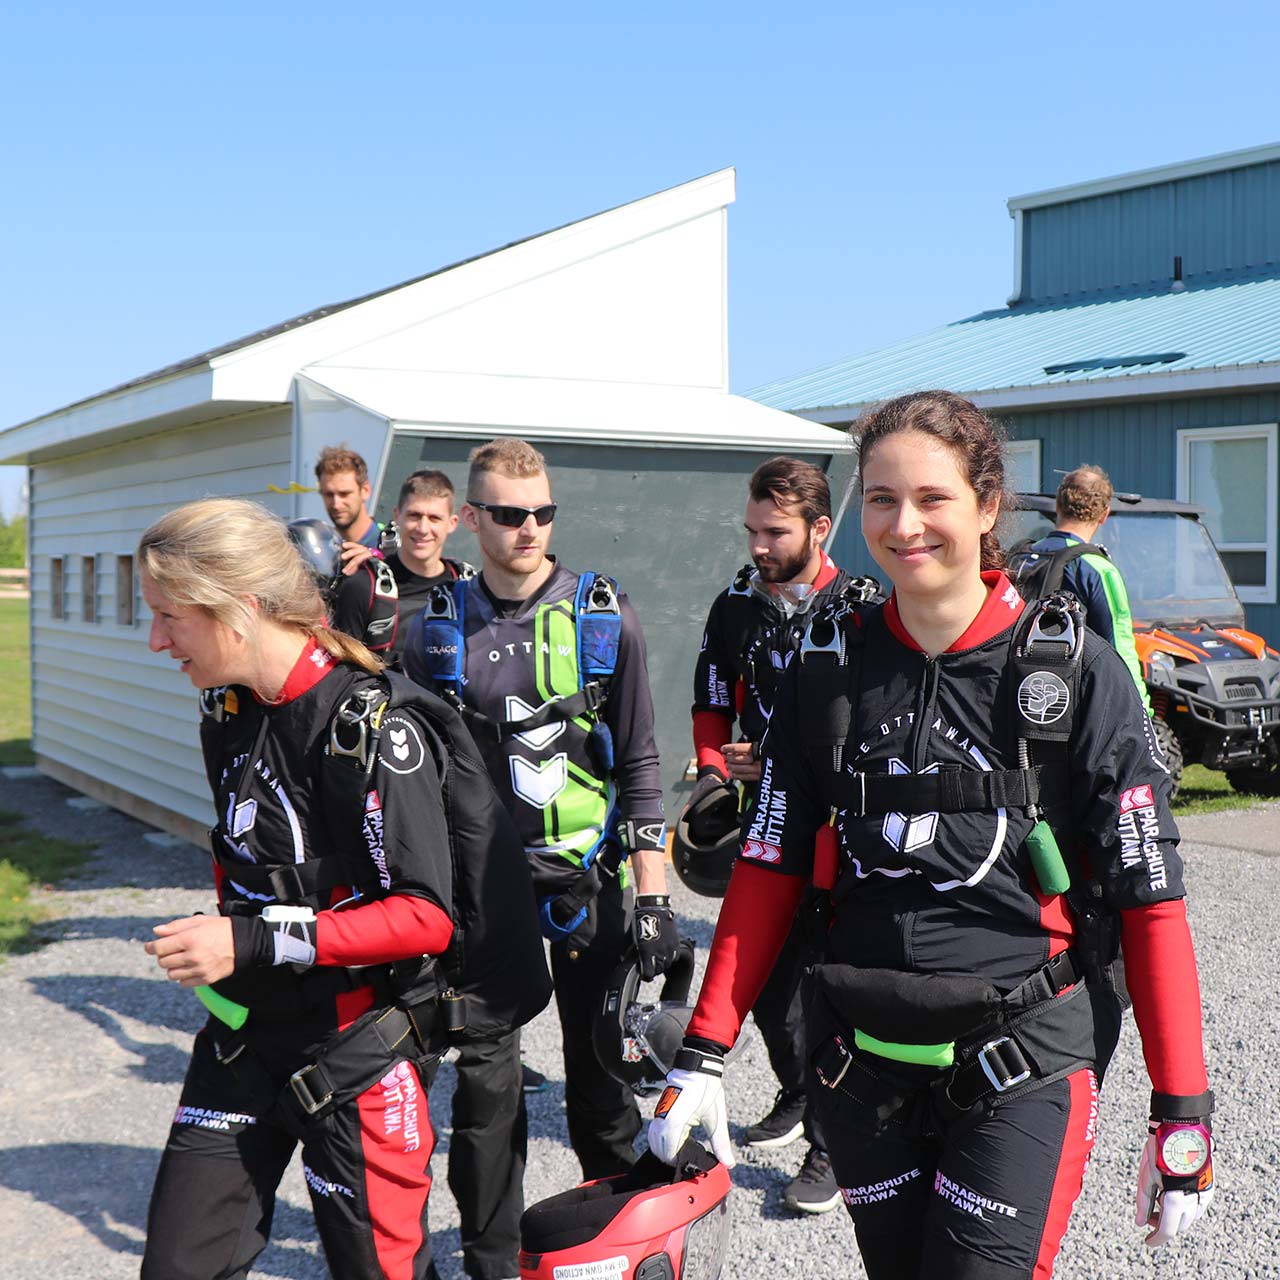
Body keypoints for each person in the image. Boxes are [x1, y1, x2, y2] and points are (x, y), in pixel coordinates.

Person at [650, 391, 1215, 1278]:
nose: (904, 524)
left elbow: (1150, 897)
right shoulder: (826, 672)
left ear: (987, 506)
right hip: (861, 1061)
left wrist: (1182, 1109)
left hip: (1024, 1054)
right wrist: (704, 1054)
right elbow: (769, 865)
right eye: (880, 499)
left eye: (932, 498)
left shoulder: (1072, 673)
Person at [137, 497, 459, 1280]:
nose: (155, 640)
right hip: (245, 1038)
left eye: (169, 616)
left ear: (240, 609)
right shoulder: (230, 713)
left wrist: (248, 939)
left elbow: (425, 919)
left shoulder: (371, 726)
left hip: (354, 1052)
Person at [401, 438, 677, 1278]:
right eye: (511, 514)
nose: (530, 529)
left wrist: (655, 897)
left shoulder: (602, 614)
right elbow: (412, 776)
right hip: (485, 897)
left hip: (588, 884)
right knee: (487, 1098)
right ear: (471, 519)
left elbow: (639, 761)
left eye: (544, 513)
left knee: (601, 1087)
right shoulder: (434, 631)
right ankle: (492, 1262)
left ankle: (615, 1250)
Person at [686, 455, 856, 1214]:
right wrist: (717, 762)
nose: (758, 545)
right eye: (752, 529)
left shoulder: (862, 606)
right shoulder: (735, 602)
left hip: (841, 836)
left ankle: (834, 1142)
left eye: (775, 532)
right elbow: (713, 692)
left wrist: (793, 756)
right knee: (764, 983)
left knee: (826, 988)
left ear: (820, 528)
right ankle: (802, 1095)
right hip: (762, 823)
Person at [1027, 464, 1152, 712]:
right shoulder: (1098, 568)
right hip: (1075, 704)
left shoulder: (1024, 555)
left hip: (1025, 695)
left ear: (1057, 506)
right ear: (1104, 514)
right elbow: (1120, 648)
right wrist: (1141, 712)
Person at [332, 468, 474, 666]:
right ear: (397, 516)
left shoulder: (469, 589)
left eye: (435, 518)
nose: (423, 529)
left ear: (452, 523)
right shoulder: (364, 587)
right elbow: (339, 673)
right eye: (414, 516)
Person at [316, 443, 383, 549]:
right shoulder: (322, 551)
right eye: (329, 495)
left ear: (365, 491)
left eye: (344, 494)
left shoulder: (390, 549)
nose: (336, 504)